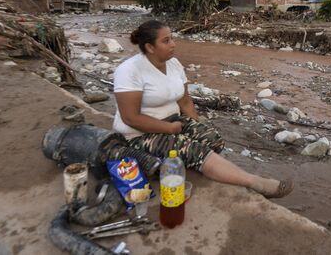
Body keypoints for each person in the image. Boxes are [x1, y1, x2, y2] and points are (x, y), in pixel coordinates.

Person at [113, 19, 293, 199]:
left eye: (172, 38)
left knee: (213, 141)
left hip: (173, 122)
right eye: (166, 41)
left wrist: (195, 127)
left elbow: (185, 101)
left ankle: (183, 161)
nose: (173, 44)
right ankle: (256, 183)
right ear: (150, 47)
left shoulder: (174, 64)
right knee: (195, 151)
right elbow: (131, 118)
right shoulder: (130, 70)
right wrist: (169, 129)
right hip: (138, 134)